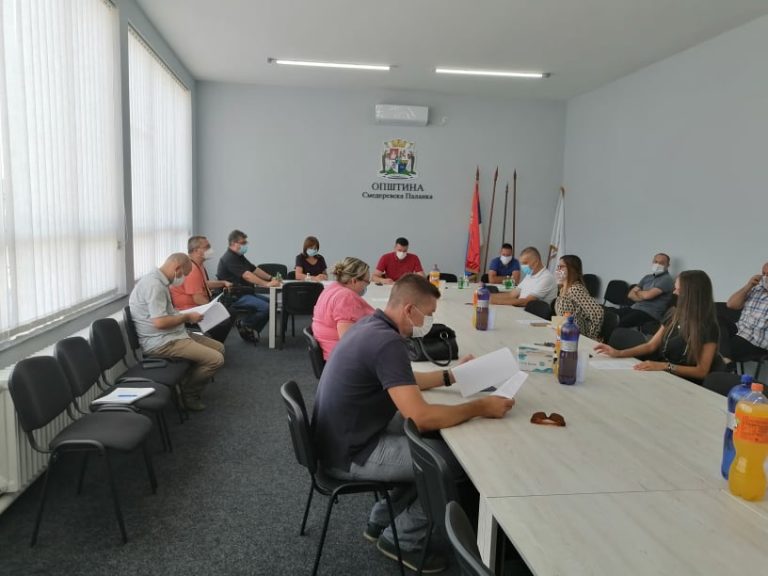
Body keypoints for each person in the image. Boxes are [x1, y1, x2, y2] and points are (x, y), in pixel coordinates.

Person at [313, 274, 514, 572]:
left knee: (429, 443)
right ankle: (402, 540)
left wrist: (451, 375)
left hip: (342, 436)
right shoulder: (387, 342)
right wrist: (480, 406)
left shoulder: (371, 325)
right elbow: (419, 416)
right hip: (349, 452)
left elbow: (404, 379)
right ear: (409, 310)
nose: (428, 322)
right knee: (448, 463)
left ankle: (382, 518)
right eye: (428, 314)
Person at [129, 253, 225, 411]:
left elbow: (166, 314)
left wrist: (186, 316)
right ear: (177, 268)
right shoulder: (155, 286)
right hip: (162, 342)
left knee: (219, 348)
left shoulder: (160, 281)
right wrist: (187, 317)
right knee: (215, 359)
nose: (184, 279)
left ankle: (184, 384)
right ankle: (188, 395)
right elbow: (160, 322)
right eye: (184, 275)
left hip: (173, 334)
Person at [594, 270, 721, 382]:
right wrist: (619, 353)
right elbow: (651, 346)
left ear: (690, 294)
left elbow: (702, 371)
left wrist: (665, 366)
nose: (674, 292)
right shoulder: (673, 314)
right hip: (661, 373)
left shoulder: (709, 326)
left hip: (683, 382)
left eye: (678, 289)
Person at [216, 229, 281, 343]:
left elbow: (254, 269)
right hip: (234, 296)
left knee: (273, 304)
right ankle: (244, 324)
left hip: (244, 292)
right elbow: (247, 275)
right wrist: (266, 284)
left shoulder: (239, 256)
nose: (245, 245)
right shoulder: (229, 258)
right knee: (267, 307)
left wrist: (271, 278)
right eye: (243, 243)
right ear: (234, 243)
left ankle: (250, 328)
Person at [170, 235, 234, 343]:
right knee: (226, 316)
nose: (210, 249)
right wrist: (214, 307)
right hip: (189, 311)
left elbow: (204, 284)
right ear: (196, 250)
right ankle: (214, 344)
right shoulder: (191, 269)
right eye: (207, 247)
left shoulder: (197, 264)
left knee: (229, 311)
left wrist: (223, 283)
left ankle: (214, 343)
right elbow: (197, 299)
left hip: (196, 306)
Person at [311, 257, 375, 360]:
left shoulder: (332, 287)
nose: (366, 285)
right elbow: (348, 342)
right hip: (340, 358)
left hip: (329, 349)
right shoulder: (346, 297)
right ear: (354, 281)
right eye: (367, 282)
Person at [723, 261, 768, 362]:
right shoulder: (757, 289)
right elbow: (731, 305)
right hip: (739, 330)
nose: (765, 277)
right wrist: (748, 285)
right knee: (716, 321)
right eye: (763, 273)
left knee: (715, 349)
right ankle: (726, 360)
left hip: (755, 340)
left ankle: (724, 360)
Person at [617, 253, 674, 329]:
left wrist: (638, 293)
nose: (657, 265)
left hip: (650, 313)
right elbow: (630, 294)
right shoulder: (647, 277)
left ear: (668, 265)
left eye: (661, 263)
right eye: (656, 262)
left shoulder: (667, 279)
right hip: (635, 308)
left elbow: (647, 296)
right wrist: (644, 295)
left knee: (619, 323)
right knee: (612, 316)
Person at [554, 255, 604, 340]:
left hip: (576, 338)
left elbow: (597, 313)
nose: (558, 270)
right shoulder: (562, 289)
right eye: (558, 267)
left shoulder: (575, 289)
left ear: (571, 269)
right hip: (565, 334)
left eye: (561, 267)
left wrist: (590, 337)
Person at [489, 246, 558, 306]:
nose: (523, 266)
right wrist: (488, 296)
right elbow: (512, 294)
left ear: (536, 262)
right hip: (522, 310)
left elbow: (526, 301)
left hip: (533, 315)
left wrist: (497, 301)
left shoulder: (546, 278)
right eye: (522, 263)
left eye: (525, 263)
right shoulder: (529, 275)